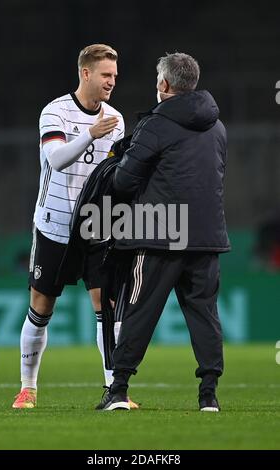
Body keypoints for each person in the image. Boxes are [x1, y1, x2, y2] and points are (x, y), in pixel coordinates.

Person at [98, 52, 230, 411]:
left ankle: (119, 389)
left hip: (158, 235)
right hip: (206, 236)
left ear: (164, 84)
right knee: (204, 314)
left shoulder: (155, 125)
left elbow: (124, 182)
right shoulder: (217, 127)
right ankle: (209, 396)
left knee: (138, 311)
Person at [12, 43, 138, 409]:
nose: (111, 81)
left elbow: (111, 174)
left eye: (114, 75)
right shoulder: (56, 112)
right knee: (41, 305)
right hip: (54, 224)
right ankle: (28, 388)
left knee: (107, 304)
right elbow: (57, 158)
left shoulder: (115, 119)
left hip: (95, 227)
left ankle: (114, 391)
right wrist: (91, 134)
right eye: (105, 75)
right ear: (86, 73)